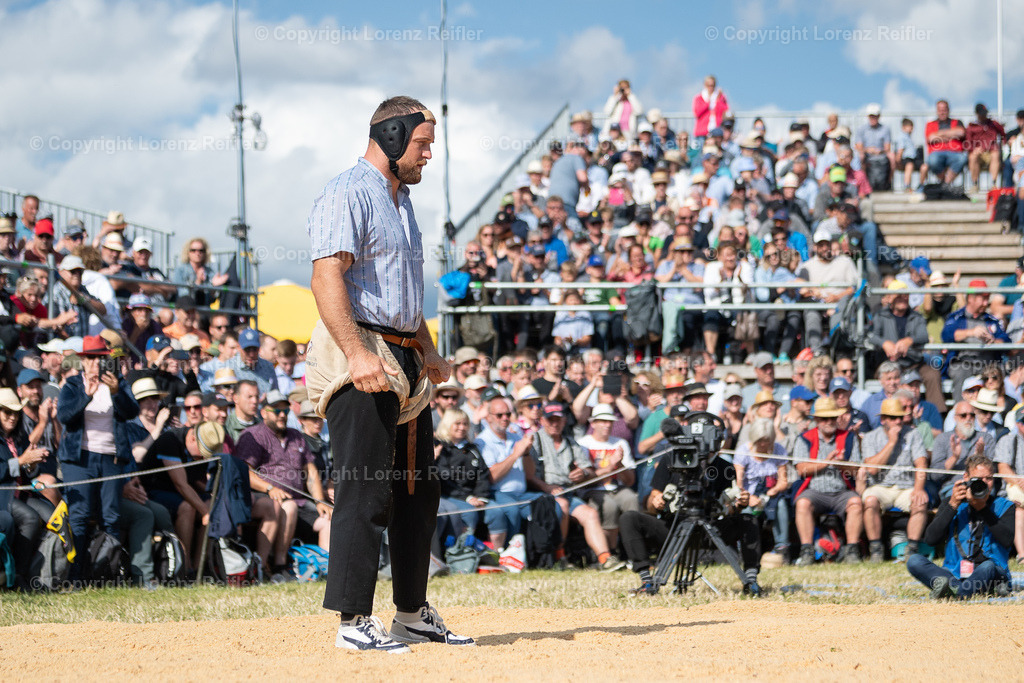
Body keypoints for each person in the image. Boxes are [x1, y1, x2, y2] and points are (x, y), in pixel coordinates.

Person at [306, 96, 471, 651]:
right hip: (360, 349)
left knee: (417, 491)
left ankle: (411, 613)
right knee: (365, 490)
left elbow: (403, 295)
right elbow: (327, 277)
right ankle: (353, 623)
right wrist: (356, 354)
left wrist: (428, 349)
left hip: (400, 353)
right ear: (394, 135)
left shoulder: (402, 204)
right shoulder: (348, 191)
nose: (427, 156)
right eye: (422, 144)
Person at [620, 405, 763, 596]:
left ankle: (751, 580)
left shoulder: (725, 467)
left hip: (711, 530)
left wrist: (739, 504)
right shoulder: (671, 458)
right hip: (673, 529)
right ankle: (647, 581)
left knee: (749, 520)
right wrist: (656, 502)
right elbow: (652, 501)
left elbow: (729, 507)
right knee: (629, 518)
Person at [57, 335, 139, 577]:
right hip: (78, 459)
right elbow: (65, 417)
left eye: (100, 358)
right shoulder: (72, 385)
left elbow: (131, 412)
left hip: (110, 458)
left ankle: (106, 574)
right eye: (90, 358)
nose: (95, 364)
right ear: (82, 361)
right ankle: (76, 576)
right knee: (79, 515)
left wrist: (115, 392)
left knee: (111, 517)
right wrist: (86, 395)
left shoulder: (117, 383)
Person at [236, 391, 332, 575]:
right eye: (276, 410)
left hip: (300, 500)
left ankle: (325, 570)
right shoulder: (254, 435)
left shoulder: (296, 435)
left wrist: (320, 501)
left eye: (286, 411)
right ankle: (280, 566)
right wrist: (269, 488)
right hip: (267, 497)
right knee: (289, 507)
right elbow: (244, 471)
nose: (282, 415)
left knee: (327, 519)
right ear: (264, 412)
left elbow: (310, 472)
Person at [526, 402, 623, 570]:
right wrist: (546, 487)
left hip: (569, 491)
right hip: (542, 493)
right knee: (561, 506)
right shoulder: (534, 441)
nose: (555, 424)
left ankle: (605, 558)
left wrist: (582, 474)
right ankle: (560, 557)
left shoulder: (572, 443)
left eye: (558, 420)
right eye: (551, 420)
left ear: (564, 421)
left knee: (590, 514)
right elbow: (528, 475)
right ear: (542, 420)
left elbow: (589, 471)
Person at [907, 455, 1014, 599]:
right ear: (966, 478)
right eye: (978, 479)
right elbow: (931, 539)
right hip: (956, 573)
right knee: (914, 561)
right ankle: (959, 590)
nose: (985, 483)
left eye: (989, 478)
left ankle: (955, 594)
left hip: (992, 573)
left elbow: (1007, 540)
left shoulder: (1004, 505)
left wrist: (983, 509)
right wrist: (952, 506)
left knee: (987, 566)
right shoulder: (953, 502)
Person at [792, 397, 864, 566]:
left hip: (842, 491)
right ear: (816, 420)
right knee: (802, 503)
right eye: (824, 418)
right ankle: (807, 550)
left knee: (856, 502)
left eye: (832, 418)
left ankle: (852, 550)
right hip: (814, 491)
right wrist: (826, 462)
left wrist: (842, 464)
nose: (829, 422)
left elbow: (855, 470)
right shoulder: (804, 438)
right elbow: (801, 469)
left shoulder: (848, 437)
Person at [858, 398, 930, 562]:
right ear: (883, 419)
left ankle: (912, 549)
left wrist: (919, 489)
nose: (897, 421)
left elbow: (921, 463)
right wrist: (891, 443)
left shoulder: (913, 434)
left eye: (899, 417)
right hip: (880, 485)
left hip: (907, 486)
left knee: (920, 502)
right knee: (870, 501)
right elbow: (872, 469)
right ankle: (876, 549)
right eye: (892, 417)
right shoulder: (870, 437)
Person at [734, 418, 790, 558]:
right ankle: (745, 550)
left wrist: (775, 490)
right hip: (749, 494)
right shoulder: (743, 452)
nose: (763, 444)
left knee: (781, 505)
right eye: (760, 440)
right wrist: (749, 497)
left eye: (767, 440)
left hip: (771, 494)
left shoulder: (778, 450)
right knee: (745, 510)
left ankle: (782, 547)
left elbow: (783, 481)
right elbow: (738, 484)